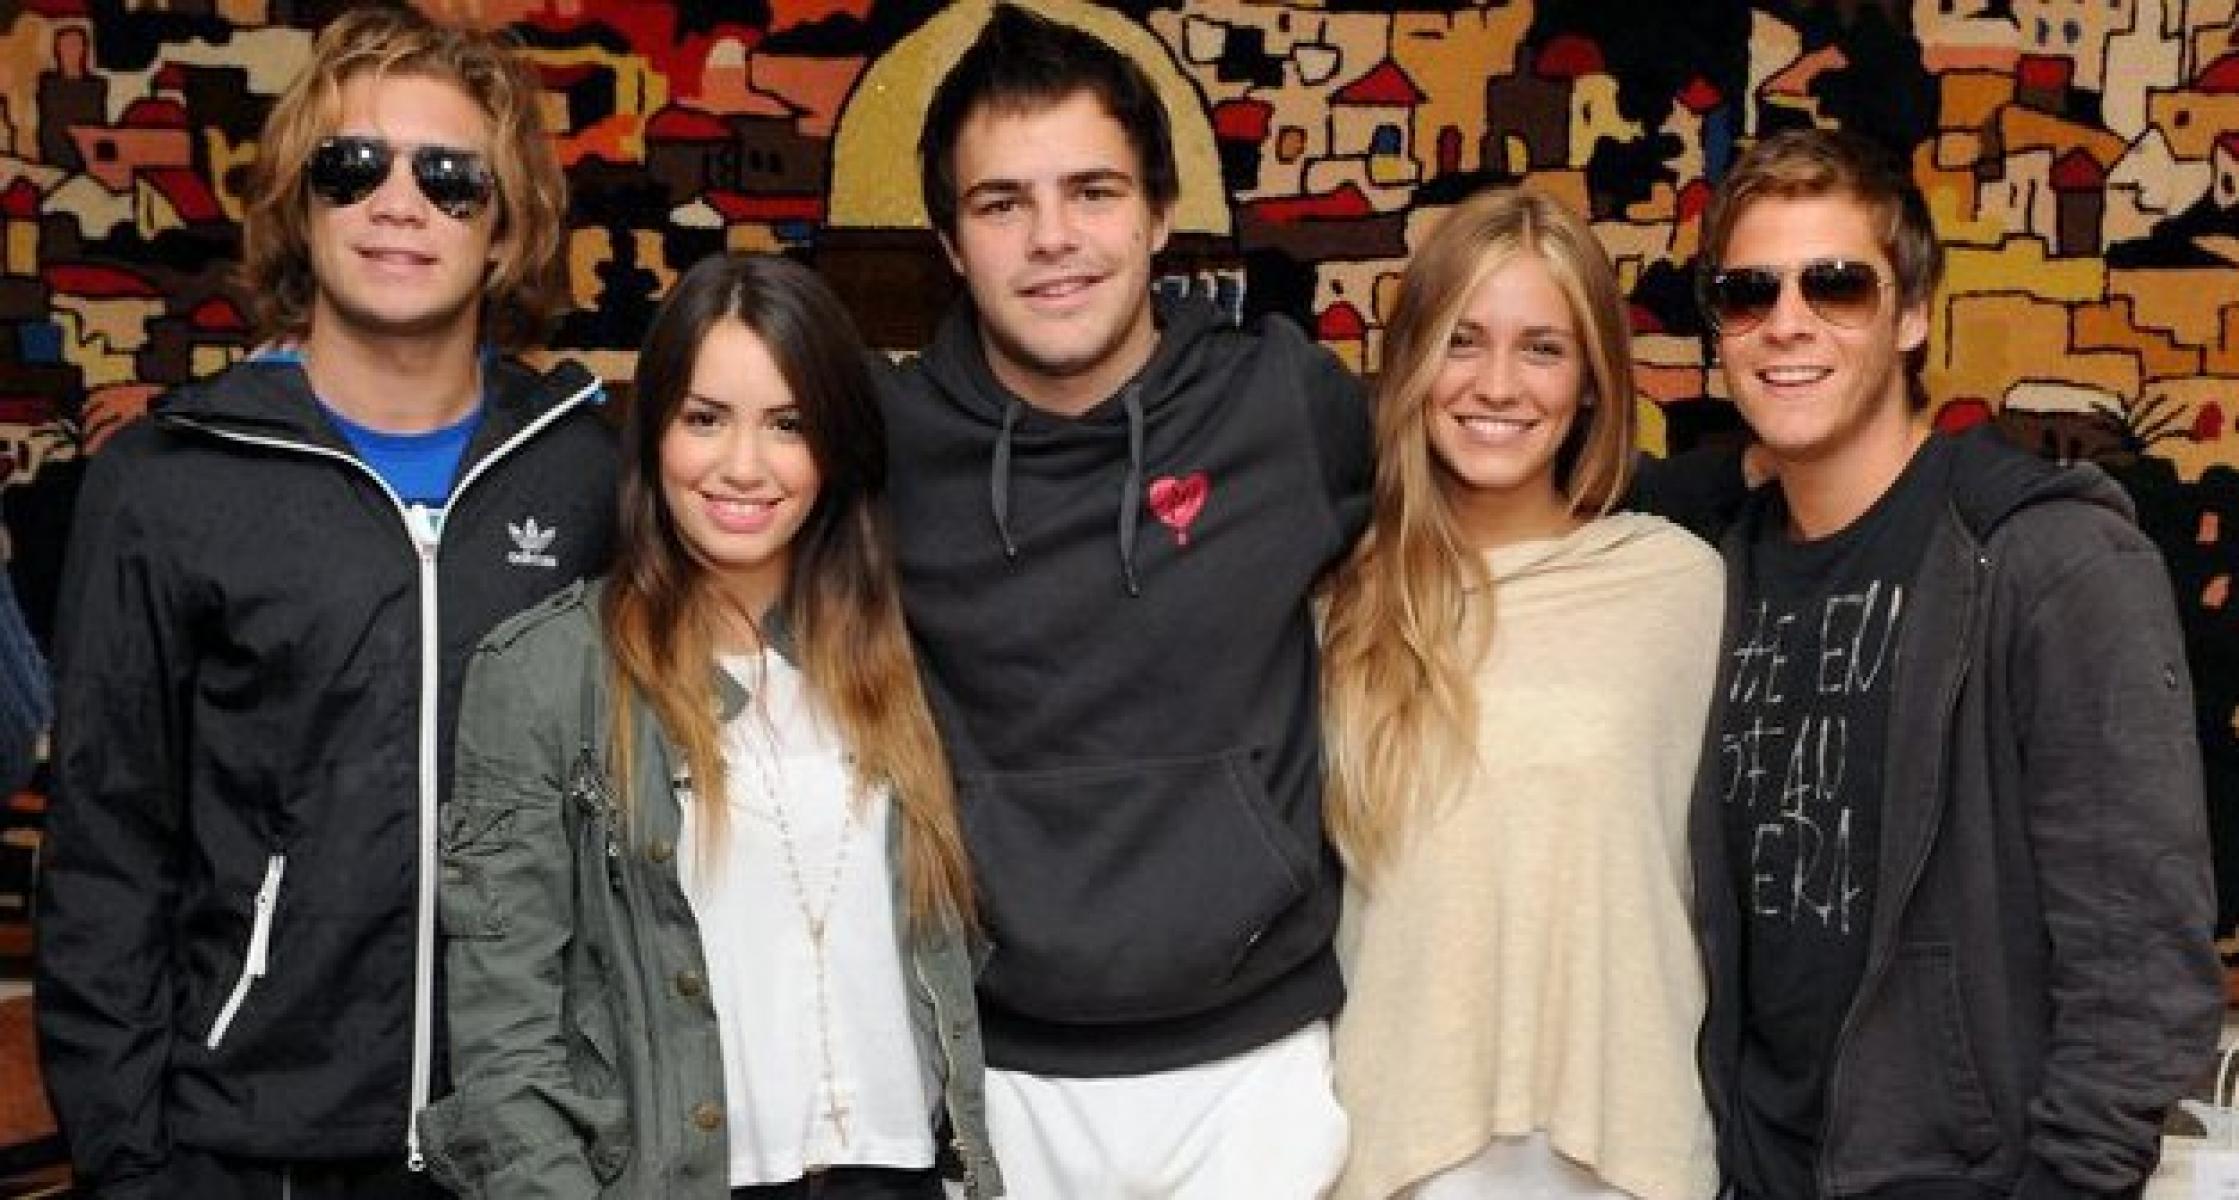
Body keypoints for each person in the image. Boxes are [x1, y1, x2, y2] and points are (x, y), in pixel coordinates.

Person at [34, 7, 616, 1196]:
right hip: (251, 1146)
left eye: (449, 177)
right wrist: (130, 1167)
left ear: (506, 228)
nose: (398, 204)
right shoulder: (165, 484)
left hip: (537, 1146)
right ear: (300, 207)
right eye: (352, 167)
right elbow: (103, 854)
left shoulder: (589, 472)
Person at [880, 5, 1372, 1194]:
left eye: (1092, 192)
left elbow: (1499, 499)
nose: (1052, 238)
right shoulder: (886, 444)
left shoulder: (1285, 407)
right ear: (950, 242)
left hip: (1252, 1067)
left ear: (1158, 214)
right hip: (992, 1066)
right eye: (1002, 203)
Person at [1689, 127, 2220, 1199]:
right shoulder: (1713, 578)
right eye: (1748, 293)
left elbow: (2137, 964)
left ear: (1912, 315)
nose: (1785, 321)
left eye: (1835, 285)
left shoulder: (2051, 562)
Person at [417, 253, 1003, 1200]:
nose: (742, 465)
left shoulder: (899, 657)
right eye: (705, 418)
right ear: (653, 432)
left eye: (787, 424)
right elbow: (504, 1044)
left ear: (836, 447)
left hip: (897, 1174)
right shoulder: (543, 674)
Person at [1322, 187, 1722, 1200]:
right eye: (1461, 341)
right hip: (1397, 1149)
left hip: (1624, 1149)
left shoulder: (1678, 587)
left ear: (1590, 383)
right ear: (1411, 361)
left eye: (1542, 348)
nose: (1496, 385)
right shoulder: (1337, 602)